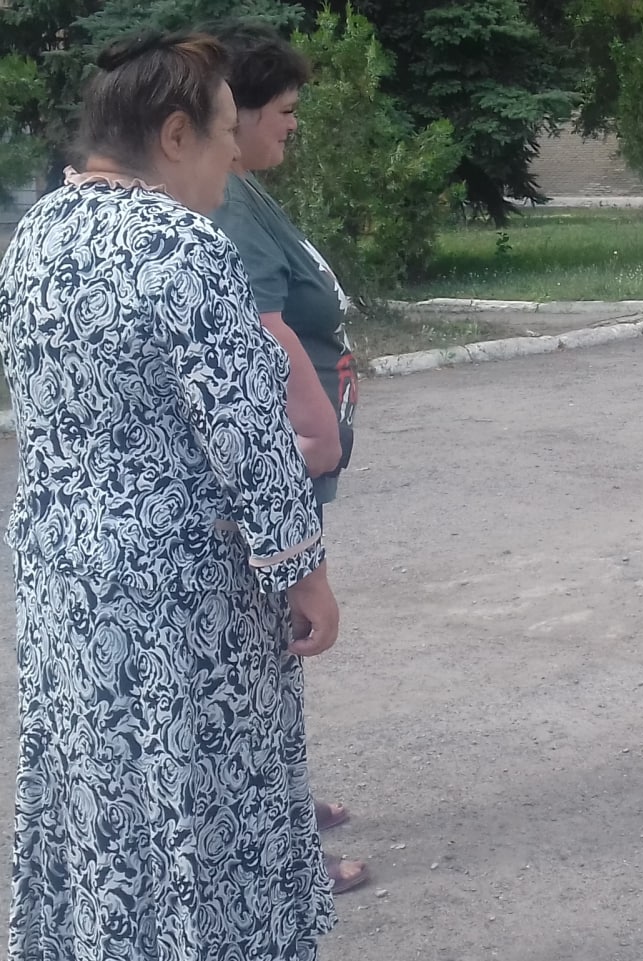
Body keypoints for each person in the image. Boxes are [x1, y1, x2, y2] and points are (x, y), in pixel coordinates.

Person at [0, 31, 339, 960]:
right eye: (225, 132)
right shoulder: (183, 246)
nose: (235, 152)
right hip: (180, 598)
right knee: (204, 791)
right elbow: (248, 431)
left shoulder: (37, 234)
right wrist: (305, 571)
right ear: (176, 134)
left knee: (106, 795)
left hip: (66, 583)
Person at [207, 20, 367, 895]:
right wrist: (315, 437)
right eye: (285, 111)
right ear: (235, 115)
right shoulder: (226, 210)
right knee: (261, 659)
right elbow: (267, 337)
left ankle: (282, 808)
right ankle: (277, 852)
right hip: (275, 469)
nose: (294, 125)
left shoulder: (245, 191)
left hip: (292, 465)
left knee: (270, 659)